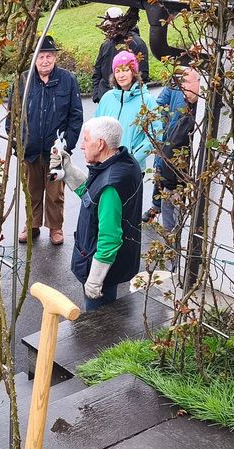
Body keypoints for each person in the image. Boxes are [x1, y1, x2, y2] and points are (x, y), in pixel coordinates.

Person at [51, 117, 142, 309]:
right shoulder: (123, 163)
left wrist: (94, 280)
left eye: (85, 140)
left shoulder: (111, 185)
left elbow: (110, 237)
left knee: (98, 325)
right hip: (116, 265)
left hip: (101, 270)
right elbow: (93, 194)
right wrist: (68, 171)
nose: (82, 146)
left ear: (100, 144)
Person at [7, 35, 83, 246]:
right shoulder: (23, 80)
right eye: (41, 56)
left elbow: (75, 116)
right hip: (30, 150)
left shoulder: (67, 80)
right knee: (31, 191)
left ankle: (55, 227)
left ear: (55, 58)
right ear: (35, 58)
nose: (45, 61)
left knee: (54, 193)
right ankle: (31, 225)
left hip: (55, 152)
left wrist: (66, 145)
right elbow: (12, 115)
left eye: (49, 56)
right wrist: (17, 144)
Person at [94, 50, 162, 170]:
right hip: (104, 165)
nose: (121, 75)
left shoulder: (146, 100)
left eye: (125, 70)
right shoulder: (107, 98)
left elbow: (156, 136)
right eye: (117, 71)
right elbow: (94, 129)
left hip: (131, 168)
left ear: (134, 72)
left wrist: (132, 158)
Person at [156, 68, 200, 235]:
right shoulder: (187, 109)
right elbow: (160, 103)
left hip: (181, 186)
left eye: (187, 82)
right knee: (169, 232)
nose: (183, 87)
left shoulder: (199, 116)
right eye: (181, 82)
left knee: (178, 233)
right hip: (170, 182)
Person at [91, 6, 150, 104]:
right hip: (106, 97)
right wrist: (97, 95)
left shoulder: (136, 43)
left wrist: (131, 95)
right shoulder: (106, 45)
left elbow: (143, 74)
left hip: (129, 98)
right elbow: (97, 71)